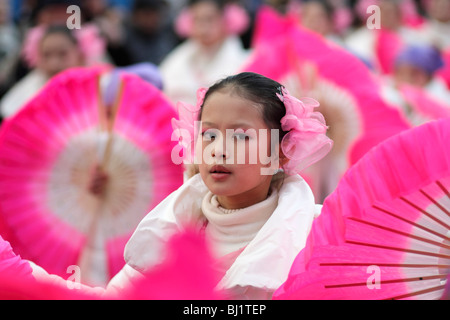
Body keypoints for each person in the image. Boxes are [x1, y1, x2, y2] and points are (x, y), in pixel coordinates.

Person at [24, 72, 332, 299]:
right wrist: (25, 275)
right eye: (209, 135)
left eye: (240, 136)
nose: (218, 150)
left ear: (280, 150)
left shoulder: (317, 236)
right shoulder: (170, 228)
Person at [0, 23, 105, 119]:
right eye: (46, 55)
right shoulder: (28, 92)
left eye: (63, 54)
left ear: (80, 53)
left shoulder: (100, 85)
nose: (54, 64)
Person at [159, 0, 250, 106]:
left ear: (225, 20)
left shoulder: (245, 59)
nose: (203, 28)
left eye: (209, 19)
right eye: (197, 20)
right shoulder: (180, 57)